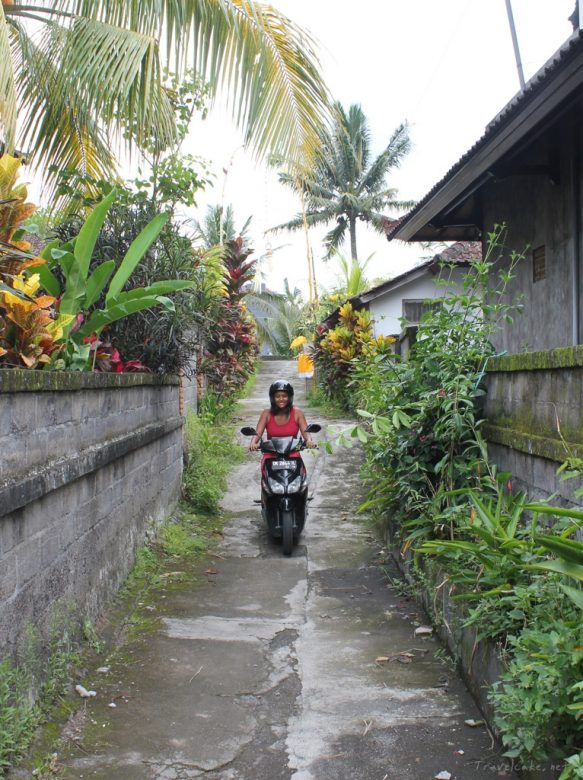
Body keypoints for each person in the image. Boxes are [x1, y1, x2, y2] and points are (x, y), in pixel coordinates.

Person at [249, 380, 317, 453]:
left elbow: (305, 432)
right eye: (277, 396)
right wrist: (253, 442)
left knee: (300, 464)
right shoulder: (266, 413)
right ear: (273, 398)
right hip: (271, 454)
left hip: (293, 453)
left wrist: (309, 440)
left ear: (289, 397)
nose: (281, 399)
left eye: (284, 396)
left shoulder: (298, 413)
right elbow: (258, 433)